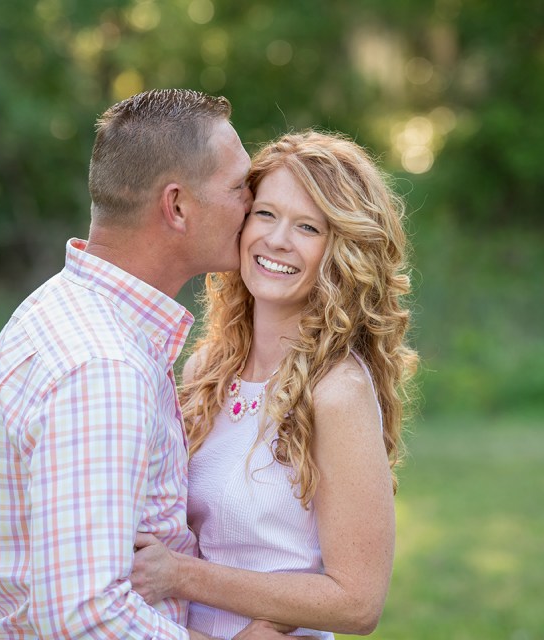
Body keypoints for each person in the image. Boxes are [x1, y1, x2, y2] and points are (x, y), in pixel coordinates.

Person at [0, 88, 254, 639]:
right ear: (177, 206)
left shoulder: (68, 311)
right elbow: (85, 616)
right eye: (239, 186)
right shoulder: (102, 367)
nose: (253, 204)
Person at [130, 130, 418, 639]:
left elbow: (357, 602)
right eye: (266, 214)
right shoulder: (205, 372)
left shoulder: (336, 391)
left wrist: (181, 576)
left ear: (341, 251)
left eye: (308, 226)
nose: (278, 239)